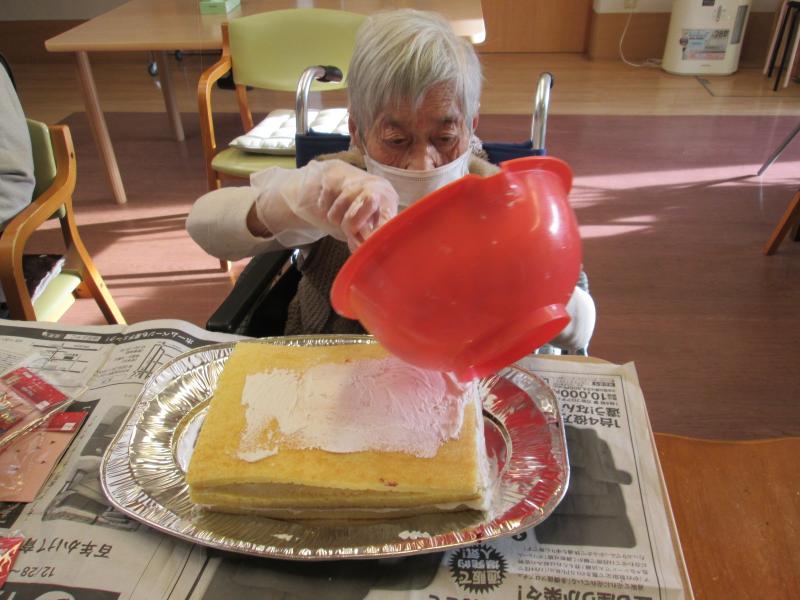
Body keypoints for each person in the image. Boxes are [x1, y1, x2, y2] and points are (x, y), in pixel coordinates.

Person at [187, 9, 595, 351]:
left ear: (470, 127)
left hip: (465, 386)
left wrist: (522, 281)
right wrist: (288, 204)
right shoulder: (337, 183)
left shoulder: (509, 203)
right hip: (331, 369)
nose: (423, 163)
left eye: (445, 138)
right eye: (396, 140)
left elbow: (583, 327)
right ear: (358, 131)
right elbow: (204, 225)